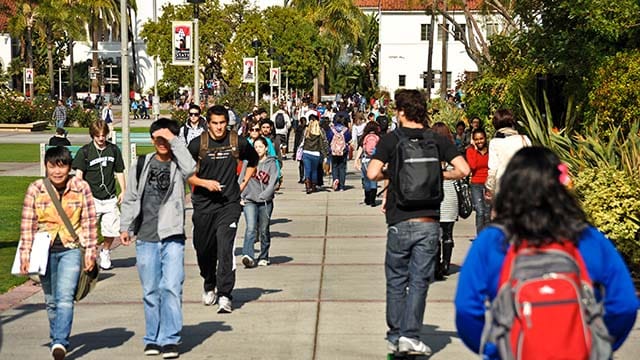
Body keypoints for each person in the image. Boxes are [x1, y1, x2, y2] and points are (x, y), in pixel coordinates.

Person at [455, 146, 639, 358]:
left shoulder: (492, 241)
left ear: (509, 189)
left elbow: (466, 309)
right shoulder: (587, 238)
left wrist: (494, 349)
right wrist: (598, 344)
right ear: (559, 187)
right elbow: (624, 304)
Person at [366, 89, 470, 355]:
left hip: (400, 219)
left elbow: (372, 172)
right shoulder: (437, 140)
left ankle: (395, 334)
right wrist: (437, 176)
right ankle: (410, 336)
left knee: (396, 279)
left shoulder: (392, 140)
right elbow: (464, 170)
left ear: (401, 112)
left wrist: (395, 175)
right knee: (419, 280)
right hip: (428, 220)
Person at [119, 118, 195, 359]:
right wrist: (125, 227)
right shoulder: (140, 164)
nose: (162, 143)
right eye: (158, 139)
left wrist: (174, 139)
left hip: (172, 235)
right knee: (150, 290)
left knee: (172, 287)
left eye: (166, 139)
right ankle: (152, 338)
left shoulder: (178, 164)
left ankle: (170, 339)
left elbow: (191, 168)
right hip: (146, 236)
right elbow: (130, 197)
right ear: (152, 140)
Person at [20, 146, 98, 360]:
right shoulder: (36, 188)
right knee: (51, 299)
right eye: (52, 166)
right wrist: (25, 254)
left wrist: (91, 252)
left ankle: (60, 342)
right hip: (43, 251)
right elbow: (28, 223)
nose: (57, 171)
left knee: (65, 297)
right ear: (46, 167)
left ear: (69, 167)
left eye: (62, 166)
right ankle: (57, 335)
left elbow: (90, 221)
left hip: (70, 248)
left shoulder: (81, 187)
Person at [187, 105, 259, 314]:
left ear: (227, 123)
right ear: (207, 123)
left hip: (229, 204)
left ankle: (225, 294)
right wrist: (203, 183)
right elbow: (185, 173)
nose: (219, 128)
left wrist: (242, 183)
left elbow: (252, 161)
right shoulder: (196, 145)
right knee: (203, 249)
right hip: (203, 205)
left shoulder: (237, 141)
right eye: (215, 123)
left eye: (222, 123)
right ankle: (209, 283)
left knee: (225, 247)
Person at [72, 120, 126, 270]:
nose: (101, 138)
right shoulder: (85, 152)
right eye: (98, 136)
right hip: (92, 198)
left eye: (103, 135)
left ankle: (106, 251)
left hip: (110, 197)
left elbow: (119, 171)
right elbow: (78, 175)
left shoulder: (113, 150)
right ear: (92, 135)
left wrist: (124, 190)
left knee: (111, 229)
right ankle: (89, 254)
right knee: (88, 230)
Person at [240, 136, 279, 268]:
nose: (258, 149)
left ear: (266, 148)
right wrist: (239, 195)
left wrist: (265, 195)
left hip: (265, 202)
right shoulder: (248, 163)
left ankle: (263, 256)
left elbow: (274, 181)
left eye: (260, 147)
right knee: (251, 227)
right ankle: (248, 255)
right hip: (249, 199)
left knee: (263, 229)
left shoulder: (272, 163)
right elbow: (241, 179)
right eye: (255, 147)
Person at [431, 122, 460, 280]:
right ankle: (446, 264)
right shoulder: (452, 151)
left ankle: (435, 266)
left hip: (433, 196)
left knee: (435, 234)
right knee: (448, 233)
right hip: (450, 195)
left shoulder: (429, 151)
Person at [484, 109, 531, 201]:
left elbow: (493, 169)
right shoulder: (524, 139)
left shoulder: (495, 143)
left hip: (503, 188)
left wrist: (489, 189)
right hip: (524, 185)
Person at [466, 128, 490, 234]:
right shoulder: (470, 151)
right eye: (476, 139)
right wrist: (475, 149)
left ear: (485, 138)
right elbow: (473, 166)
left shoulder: (491, 150)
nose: (479, 141)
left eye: (481, 138)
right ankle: (480, 236)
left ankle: (488, 236)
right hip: (476, 184)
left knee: (488, 212)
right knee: (480, 211)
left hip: (489, 183)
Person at [354, 120, 381, 206]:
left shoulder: (365, 137)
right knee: (374, 180)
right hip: (374, 161)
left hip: (365, 160)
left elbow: (361, 149)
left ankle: (367, 199)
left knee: (366, 180)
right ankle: (373, 201)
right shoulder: (378, 138)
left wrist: (356, 159)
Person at [301, 114, 328, 194]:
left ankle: (307, 185)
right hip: (316, 153)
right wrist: (325, 155)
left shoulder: (306, 131)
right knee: (314, 171)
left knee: (307, 170)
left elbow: (301, 141)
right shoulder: (319, 132)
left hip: (306, 152)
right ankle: (313, 186)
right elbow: (322, 144)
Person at [326, 113, 352, 191]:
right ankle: (342, 186)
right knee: (342, 167)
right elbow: (348, 139)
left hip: (333, 150)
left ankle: (335, 180)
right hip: (343, 151)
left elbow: (328, 139)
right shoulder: (346, 130)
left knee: (334, 166)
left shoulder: (332, 130)